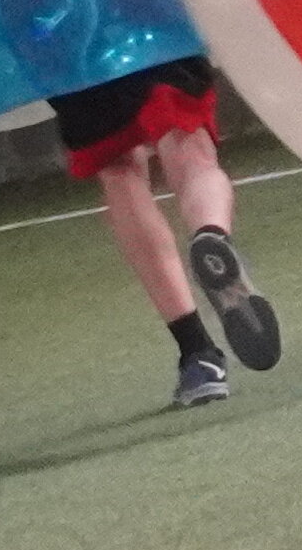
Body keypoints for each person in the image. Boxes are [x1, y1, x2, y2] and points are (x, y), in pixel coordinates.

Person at [52, 53, 280, 408]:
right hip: (145, 6)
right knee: (187, 141)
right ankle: (212, 234)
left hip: (58, 22)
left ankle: (198, 355)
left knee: (118, 167)